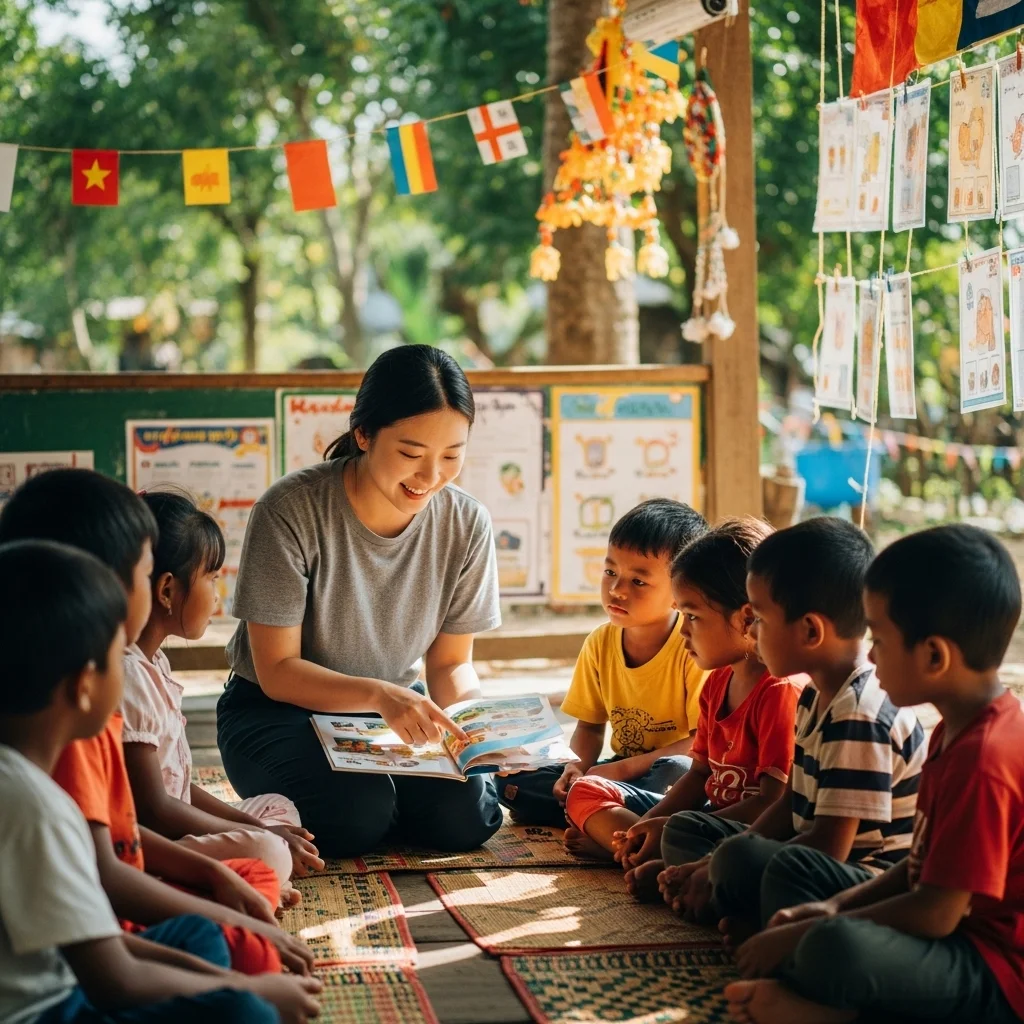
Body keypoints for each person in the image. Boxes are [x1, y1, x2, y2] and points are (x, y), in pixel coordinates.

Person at [0, 469, 313, 977]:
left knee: (270, 834)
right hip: (128, 894)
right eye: (211, 578)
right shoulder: (88, 721)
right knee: (262, 871)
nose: (218, 593)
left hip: (132, 885)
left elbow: (155, 808)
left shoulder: (100, 704)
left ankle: (245, 891)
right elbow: (136, 837)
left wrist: (237, 856)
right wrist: (231, 883)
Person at [726, 525, 1024, 1024]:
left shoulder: (985, 759)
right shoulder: (954, 727)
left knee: (835, 946)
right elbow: (917, 871)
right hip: (949, 933)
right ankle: (816, 983)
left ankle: (834, 1012)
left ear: (934, 656)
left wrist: (818, 926)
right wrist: (829, 908)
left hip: (996, 971)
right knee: (802, 889)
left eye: (879, 640)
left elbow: (936, 912)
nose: (869, 655)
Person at [217, 345, 504, 858]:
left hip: (391, 713)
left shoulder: (467, 523)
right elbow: (277, 671)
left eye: (451, 456)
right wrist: (378, 696)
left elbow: (451, 664)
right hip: (275, 710)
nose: (430, 476)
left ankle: (393, 800)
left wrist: (471, 729)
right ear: (364, 434)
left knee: (468, 817)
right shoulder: (290, 510)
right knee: (354, 817)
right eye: (411, 454)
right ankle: (373, 804)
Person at [664, 517, 926, 942]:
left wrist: (721, 864)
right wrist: (711, 861)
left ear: (809, 630)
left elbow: (830, 847)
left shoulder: (858, 712)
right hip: (812, 858)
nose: (751, 631)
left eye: (760, 620)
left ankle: (769, 922)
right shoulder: (816, 695)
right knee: (691, 832)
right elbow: (789, 806)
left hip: (862, 879)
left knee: (756, 863)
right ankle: (742, 906)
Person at [124, 491, 323, 909]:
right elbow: (155, 809)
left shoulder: (154, 662)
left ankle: (252, 878)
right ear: (167, 590)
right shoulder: (130, 677)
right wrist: (260, 835)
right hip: (154, 846)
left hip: (179, 828)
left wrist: (252, 823)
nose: (218, 595)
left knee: (278, 808)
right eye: (211, 578)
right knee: (269, 850)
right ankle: (236, 883)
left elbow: (177, 787)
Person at [587, 519, 803, 903]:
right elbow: (700, 773)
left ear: (746, 619)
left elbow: (773, 803)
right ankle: (661, 860)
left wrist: (674, 826)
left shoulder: (780, 691)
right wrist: (647, 826)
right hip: (709, 821)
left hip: (752, 833)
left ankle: (678, 870)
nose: (683, 631)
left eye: (692, 616)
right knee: (593, 793)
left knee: (695, 838)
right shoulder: (717, 682)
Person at [497, 499, 708, 856]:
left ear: (679, 592)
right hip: (617, 775)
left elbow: (699, 744)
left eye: (638, 580)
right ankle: (608, 824)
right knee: (513, 779)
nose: (617, 590)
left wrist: (617, 772)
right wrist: (576, 768)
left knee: (677, 770)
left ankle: (606, 827)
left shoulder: (692, 647)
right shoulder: (599, 643)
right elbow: (590, 728)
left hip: (664, 778)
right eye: (610, 572)